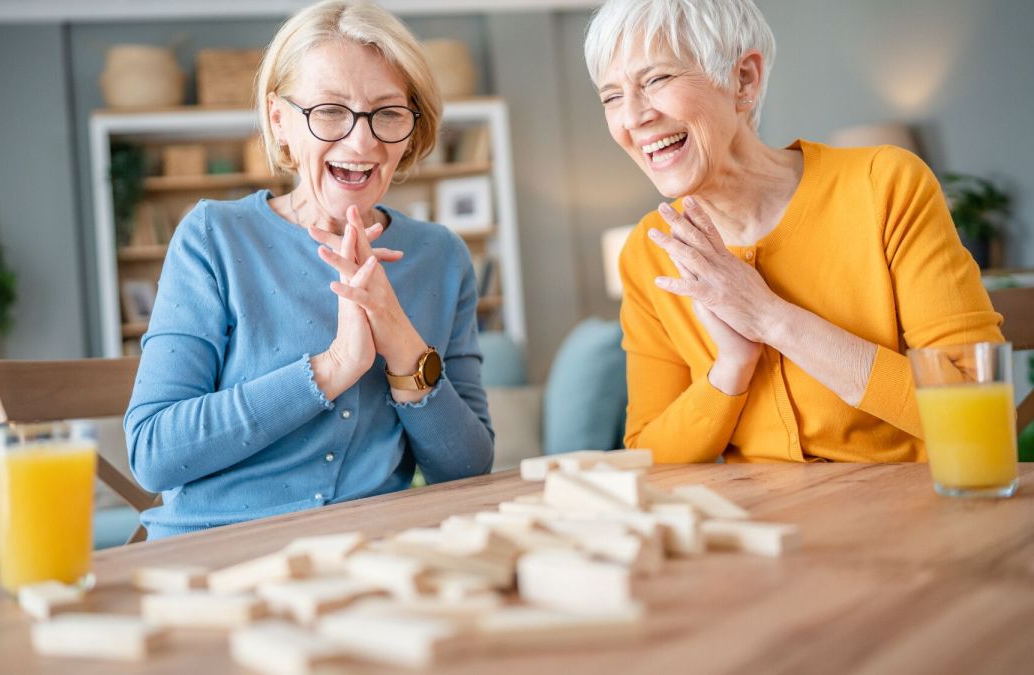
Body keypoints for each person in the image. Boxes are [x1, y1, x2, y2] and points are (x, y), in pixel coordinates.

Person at [124, 0, 493, 539]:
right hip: (218, 553)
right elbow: (153, 453)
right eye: (329, 111)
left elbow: (466, 468)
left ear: (412, 129)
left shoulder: (441, 256)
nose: (361, 141)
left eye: (388, 112)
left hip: (374, 551)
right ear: (280, 121)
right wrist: (335, 365)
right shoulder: (214, 237)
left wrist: (401, 342)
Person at [584, 0, 1002, 463]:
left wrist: (771, 319)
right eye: (611, 97)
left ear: (743, 79)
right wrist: (731, 369)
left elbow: (979, 417)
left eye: (656, 79)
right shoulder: (649, 251)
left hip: (914, 515)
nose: (632, 117)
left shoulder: (884, 186)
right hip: (762, 525)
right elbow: (650, 456)